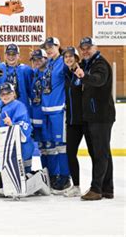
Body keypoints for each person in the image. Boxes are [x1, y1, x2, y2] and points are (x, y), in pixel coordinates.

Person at [73, 37, 115, 201]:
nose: (85, 51)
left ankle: (96, 189)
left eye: (88, 48)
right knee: (103, 152)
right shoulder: (88, 63)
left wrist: (85, 76)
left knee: (99, 153)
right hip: (93, 115)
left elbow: (99, 80)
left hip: (101, 116)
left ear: (95, 47)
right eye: (82, 48)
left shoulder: (100, 64)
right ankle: (107, 188)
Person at [41, 37, 71, 193]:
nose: (48, 50)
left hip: (59, 109)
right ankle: (54, 176)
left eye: (51, 47)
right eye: (46, 48)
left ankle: (66, 177)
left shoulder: (64, 62)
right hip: (46, 110)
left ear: (58, 46)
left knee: (62, 146)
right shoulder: (49, 64)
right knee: (50, 147)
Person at [0, 83, 35, 173]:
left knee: (23, 169)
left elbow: (25, 124)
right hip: (2, 142)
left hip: (18, 144)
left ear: (13, 93)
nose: (6, 96)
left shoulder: (19, 105)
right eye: (3, 94)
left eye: (8, 93)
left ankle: (27, 175)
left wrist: (12, 124)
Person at [62, 46, 84, 197]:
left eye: (71, 56)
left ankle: (99, 185)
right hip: (71, 121)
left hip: (86, 121)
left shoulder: (82, 72)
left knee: (96, 154)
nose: (68, 59)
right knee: (70, 153)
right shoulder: (67, 74)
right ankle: (76, 186)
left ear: (76, 58)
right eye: (66, 57)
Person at [29, 49, 52, 177]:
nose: (37, 62)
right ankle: (46, 173)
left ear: (46, 58)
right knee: (42, 148)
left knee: (51, 147)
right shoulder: (35, 73)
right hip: (36, 115)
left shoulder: (50, 72)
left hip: (47, 115)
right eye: (34, 60)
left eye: (40, 59)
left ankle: (56, 174)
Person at [0, 44, 33, 112]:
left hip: (21, 107)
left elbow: (30, 89)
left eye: (14, 54)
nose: (11, 57)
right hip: (2, 107)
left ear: (18, 55)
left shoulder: (26, 70)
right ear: (5, 55)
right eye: (9, 54)